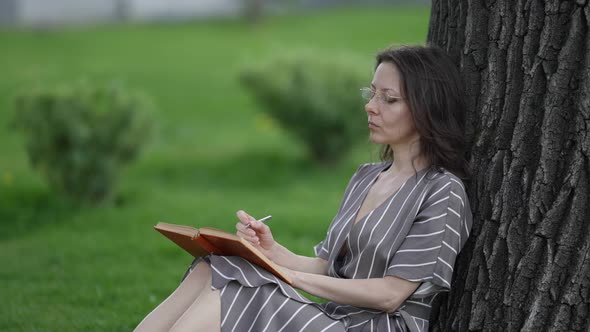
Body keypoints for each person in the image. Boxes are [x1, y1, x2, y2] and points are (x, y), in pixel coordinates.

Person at [135, 45, 473, 332]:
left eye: (389, 99)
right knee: (218, 264)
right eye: (372, 94)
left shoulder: (443, 193)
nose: (371, 106)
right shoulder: (367, 176)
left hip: (378, 326)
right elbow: (329, 266)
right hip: (335, 319)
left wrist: (286, 278)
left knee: (243, 288)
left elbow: (390, 295)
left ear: (427, 109)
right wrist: (271, 252)